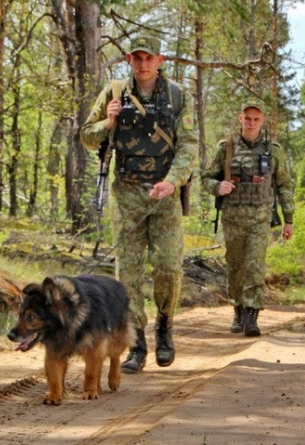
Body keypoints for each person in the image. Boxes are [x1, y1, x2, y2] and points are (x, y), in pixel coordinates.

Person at [80, 34, 197, 372]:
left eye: (149, 58)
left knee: (168, 268)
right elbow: (87, 137)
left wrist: (171, 181)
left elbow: (189, 147)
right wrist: (108, 121)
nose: (143, 64)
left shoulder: (177, 96)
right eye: (137, 58)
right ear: (130, 59)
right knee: (127, 274)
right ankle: (137, 344)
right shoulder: (114, 92)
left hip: (165, 193)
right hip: (127, 192)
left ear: (160, 60)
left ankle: (165, 325)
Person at [201, 100, 295, 337]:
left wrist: (289, 219)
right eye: (247, 117)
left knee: (255, 265)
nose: (251, 122)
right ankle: (238, 309)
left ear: (263, 121)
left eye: (256, 118)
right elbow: (206, 178)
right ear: (240, 119)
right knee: (235, 267)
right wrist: (217, 186)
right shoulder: (227, 147)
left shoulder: (274, 150)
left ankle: (252, 315)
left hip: (260, 217)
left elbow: (284, 184)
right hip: (232, 218)